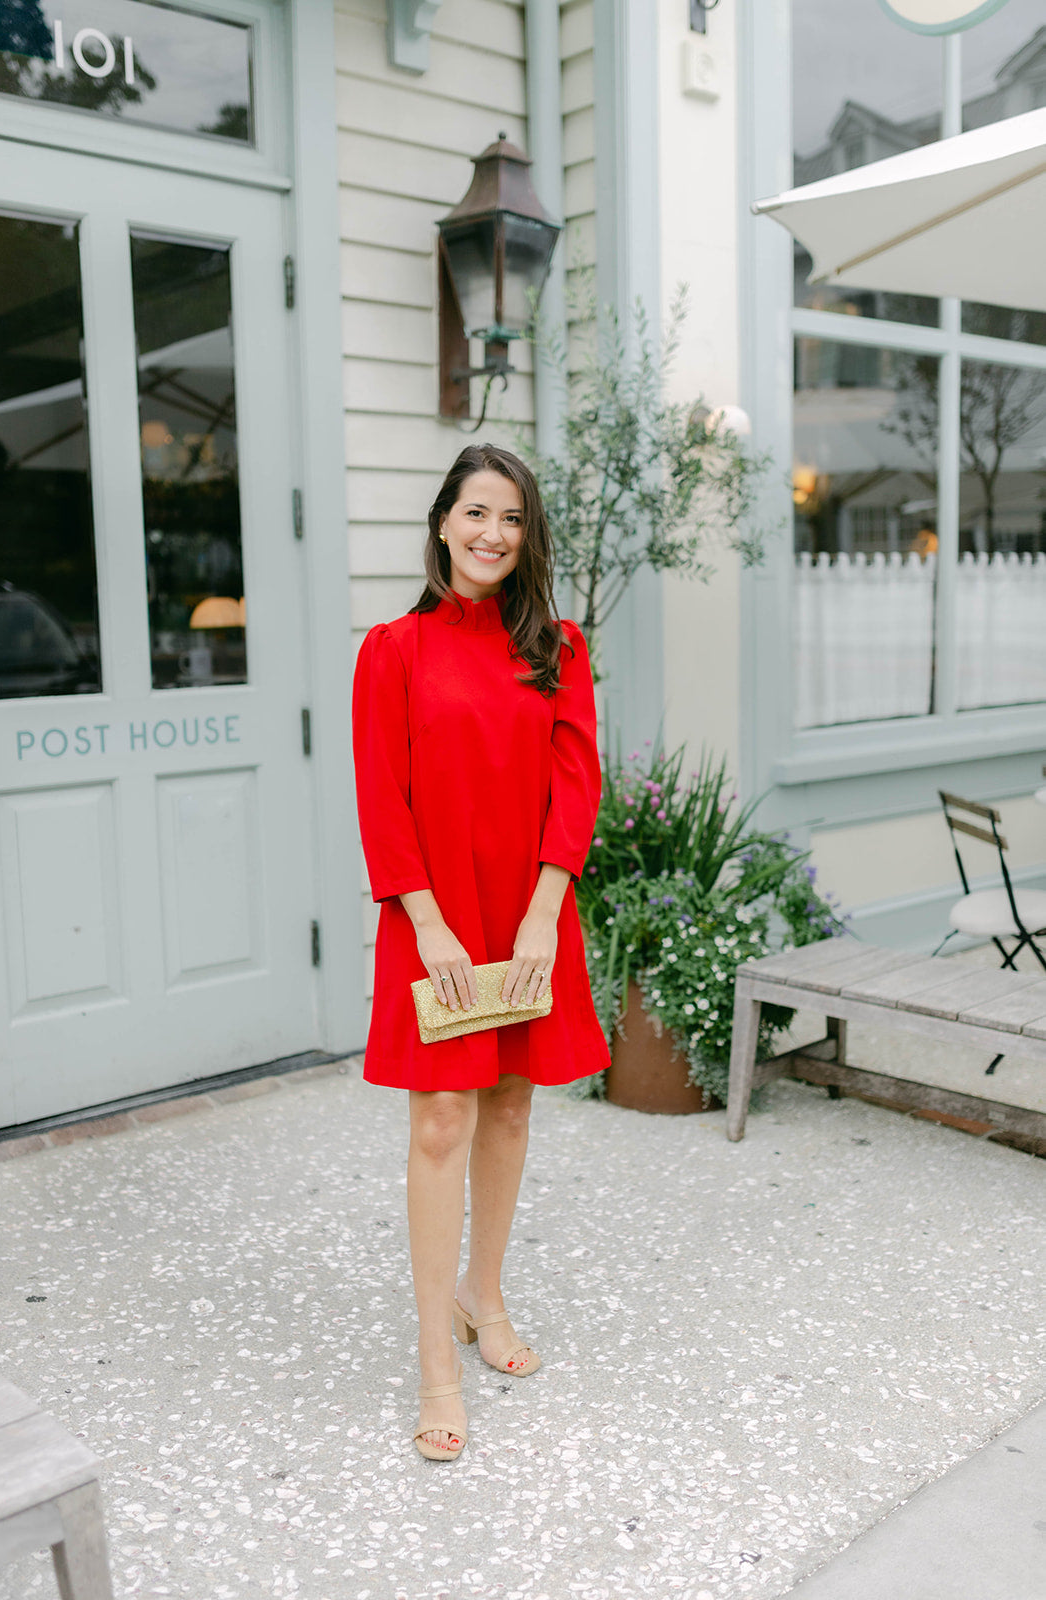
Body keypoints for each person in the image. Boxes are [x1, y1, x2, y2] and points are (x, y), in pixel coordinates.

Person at [351, 443, 610, 1462]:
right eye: (473, 512)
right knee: (438, 1121)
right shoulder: (393, 648)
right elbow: (381, 796)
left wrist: (545, 909)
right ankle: (434, 1362)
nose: (490, 533)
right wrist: (426, 918)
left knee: (509, 1099)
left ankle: (482, 1293)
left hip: (528, 905)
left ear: (525, 533)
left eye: (509, 517)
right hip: (433, 913)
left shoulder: (559, 646)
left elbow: (575, 785)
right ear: (442, 521)